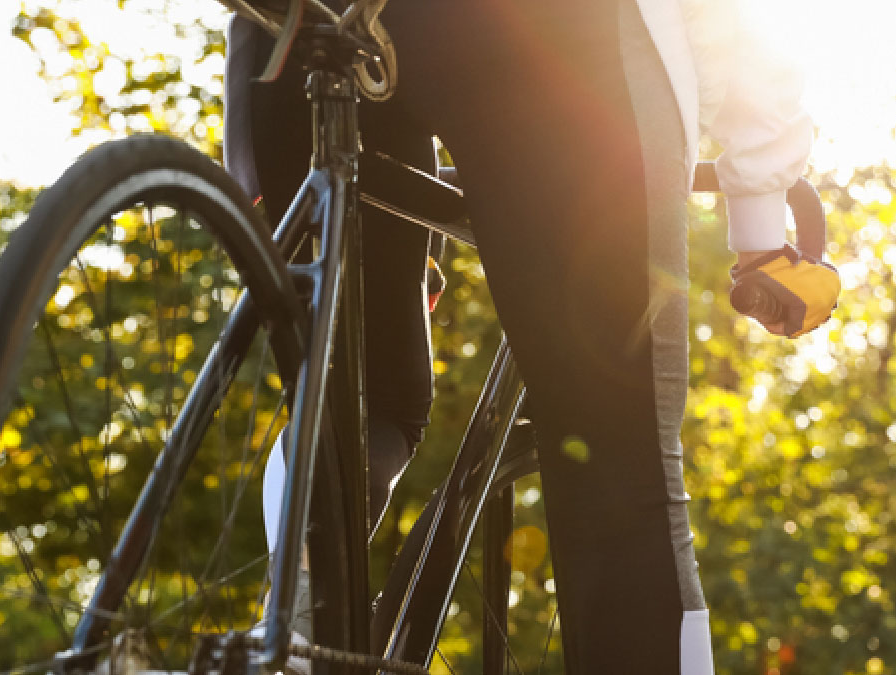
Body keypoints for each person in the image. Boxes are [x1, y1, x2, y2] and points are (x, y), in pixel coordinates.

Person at [226, 0, 829, 671]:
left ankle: (289, 634)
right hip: (550, 36)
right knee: (613, 452)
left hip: (294, 32)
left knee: (364, 396)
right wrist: (761, 222)